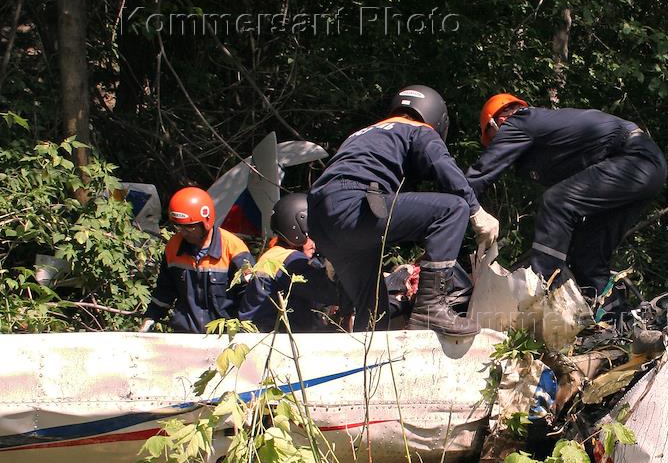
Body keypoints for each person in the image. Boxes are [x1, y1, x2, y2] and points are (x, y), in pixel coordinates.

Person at [307, 84, 500, 334]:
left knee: (375, 311)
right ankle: (431, 308)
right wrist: (476, 211)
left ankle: (365, 366)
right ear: (435, 117)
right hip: (354, 204)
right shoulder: (418, 129)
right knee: (452, 209)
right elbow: (443, 166)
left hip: (321, 218)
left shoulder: (363, 133)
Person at [465, 94, 668, 307]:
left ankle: (540, 292)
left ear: (498, 122)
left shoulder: (519, 121)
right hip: (649, 168)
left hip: (634, 159)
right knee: (587, 255)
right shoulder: (552, 140)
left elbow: (480, 175)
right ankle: (614, 318)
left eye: (494, 139)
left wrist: (454, 209)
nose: (498, 144)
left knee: (556, 201)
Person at [139, 186, 253, 333]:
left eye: (190, 227)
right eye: (180, 227)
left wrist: (242, 331)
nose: (184, 233)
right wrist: (150, 318)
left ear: (205, 222)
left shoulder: (233, 248)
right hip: (185, 335)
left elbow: (250, 296)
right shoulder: (174, 247)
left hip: (224, 336)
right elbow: (165, 290)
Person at [239, 193, 340, 333]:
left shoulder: (274, 255)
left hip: (260, 338)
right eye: (310, 234)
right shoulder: (290, 261)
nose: (315, 243)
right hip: (274, 342)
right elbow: (329, 292)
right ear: (296, 229)